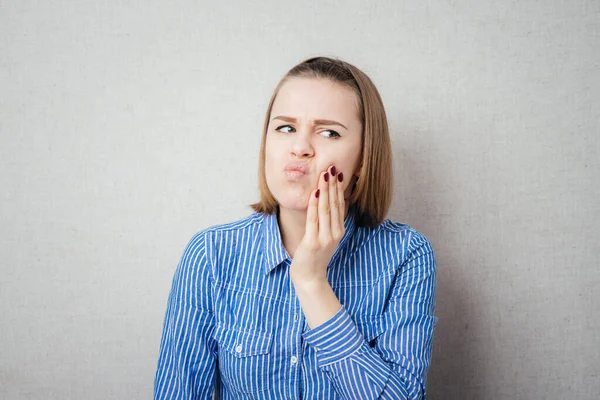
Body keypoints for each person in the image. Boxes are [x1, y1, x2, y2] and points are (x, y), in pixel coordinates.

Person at [154, 56, 438, 399]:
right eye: (285, 128)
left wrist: (311, 282)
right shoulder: (211, 255)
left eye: (329, 132)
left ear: (364, 158)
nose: (300, 147)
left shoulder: (406, 255)